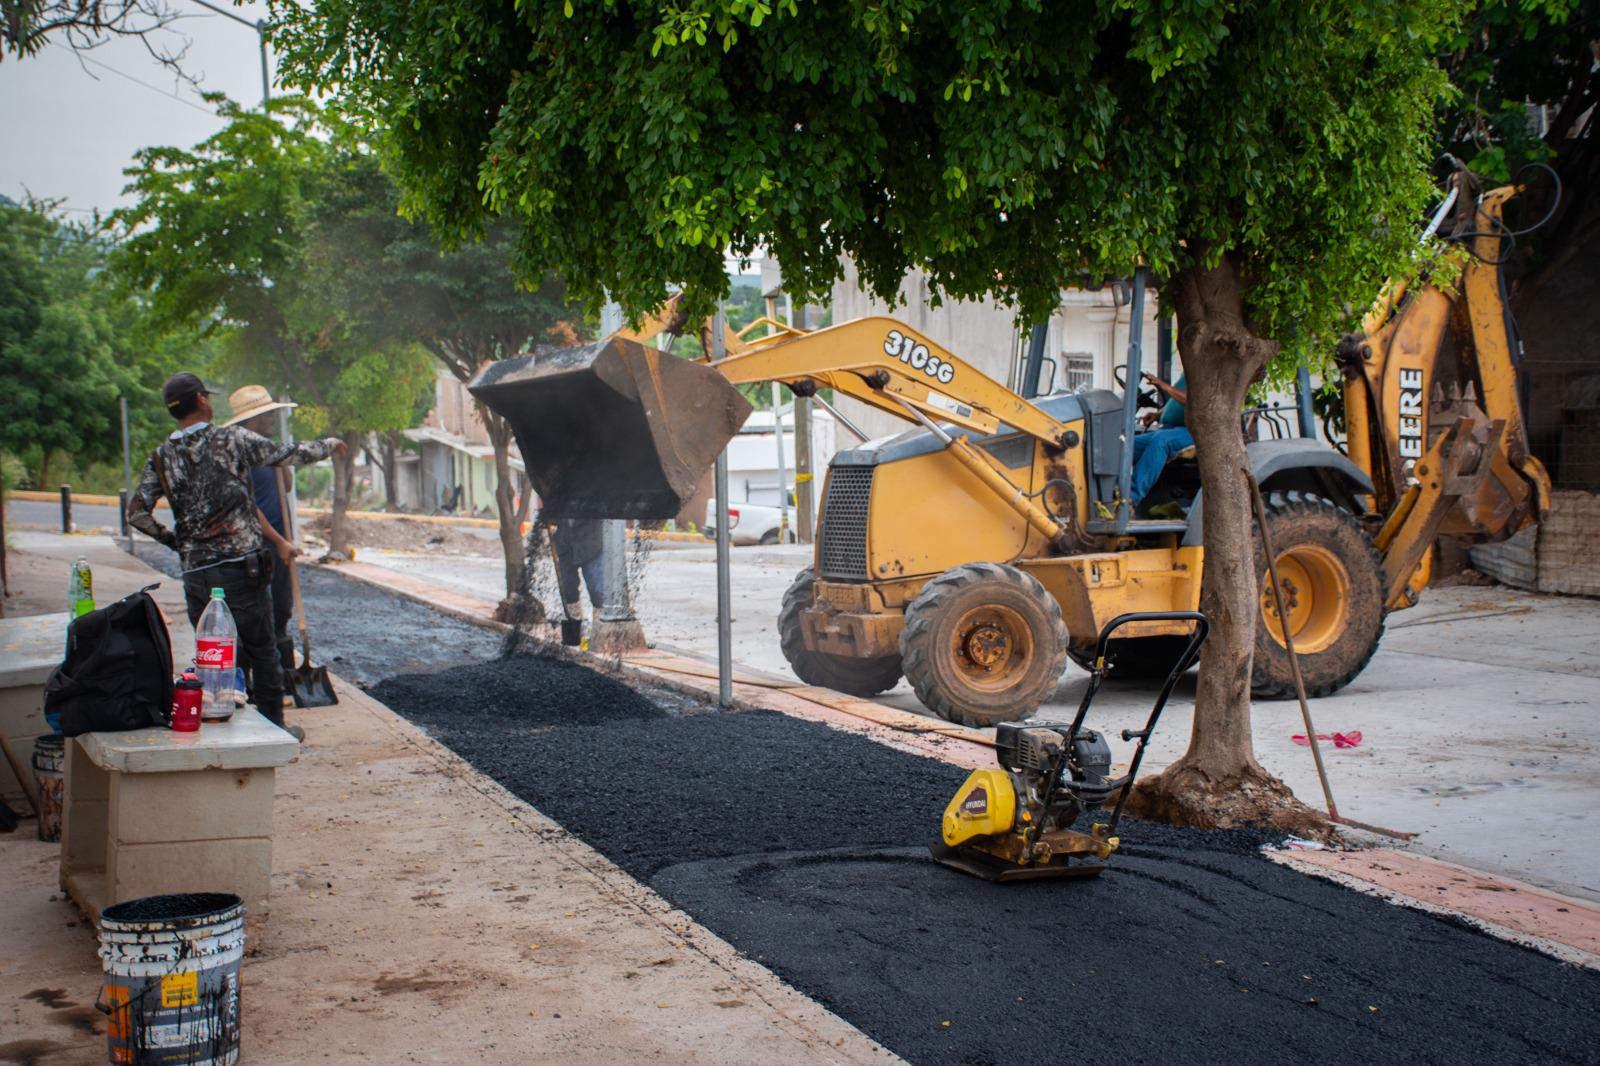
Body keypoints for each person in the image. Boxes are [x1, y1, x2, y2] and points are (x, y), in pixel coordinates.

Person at [128, 372, 344, 737]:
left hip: (196, 575)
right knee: (262, 649)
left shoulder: (161, 457)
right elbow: (286, 454)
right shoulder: (231, 440)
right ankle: (274, 729)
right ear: (200, 400)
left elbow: (136, 513)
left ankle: (218, 721)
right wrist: (330, 443)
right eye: (207, 397)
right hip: (241, 571)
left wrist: (176, 542)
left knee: (214, 654)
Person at [223, 385, 302, 676]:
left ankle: (282, 676)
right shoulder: (241, 457)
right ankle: (254, 679)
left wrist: (281, 464)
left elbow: (287, 489)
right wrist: (279, 541)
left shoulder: (268, 450)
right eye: (266, 415)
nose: (271, 419)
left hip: (280, 540)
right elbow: (249, 508)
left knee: (282, 609)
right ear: (251, 420)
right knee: (259, 613)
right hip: (258, 545)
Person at [1129, 371, 1192, 508]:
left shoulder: (1210, 377)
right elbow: (1175, 402)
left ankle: (1130, 498)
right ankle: (1111, 490)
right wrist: (1157, 415)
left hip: (1193, 432)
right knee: (1128, 444)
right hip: (1170, 428)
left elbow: (1194, 401)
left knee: (1161, 440)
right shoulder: (1188, 372)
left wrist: (1165, 386)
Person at [550, 517, 606, 640]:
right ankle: (574, 633)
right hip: (566, 545)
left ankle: (600, 634)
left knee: (597, 590)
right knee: (568, 589)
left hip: (591, 544)